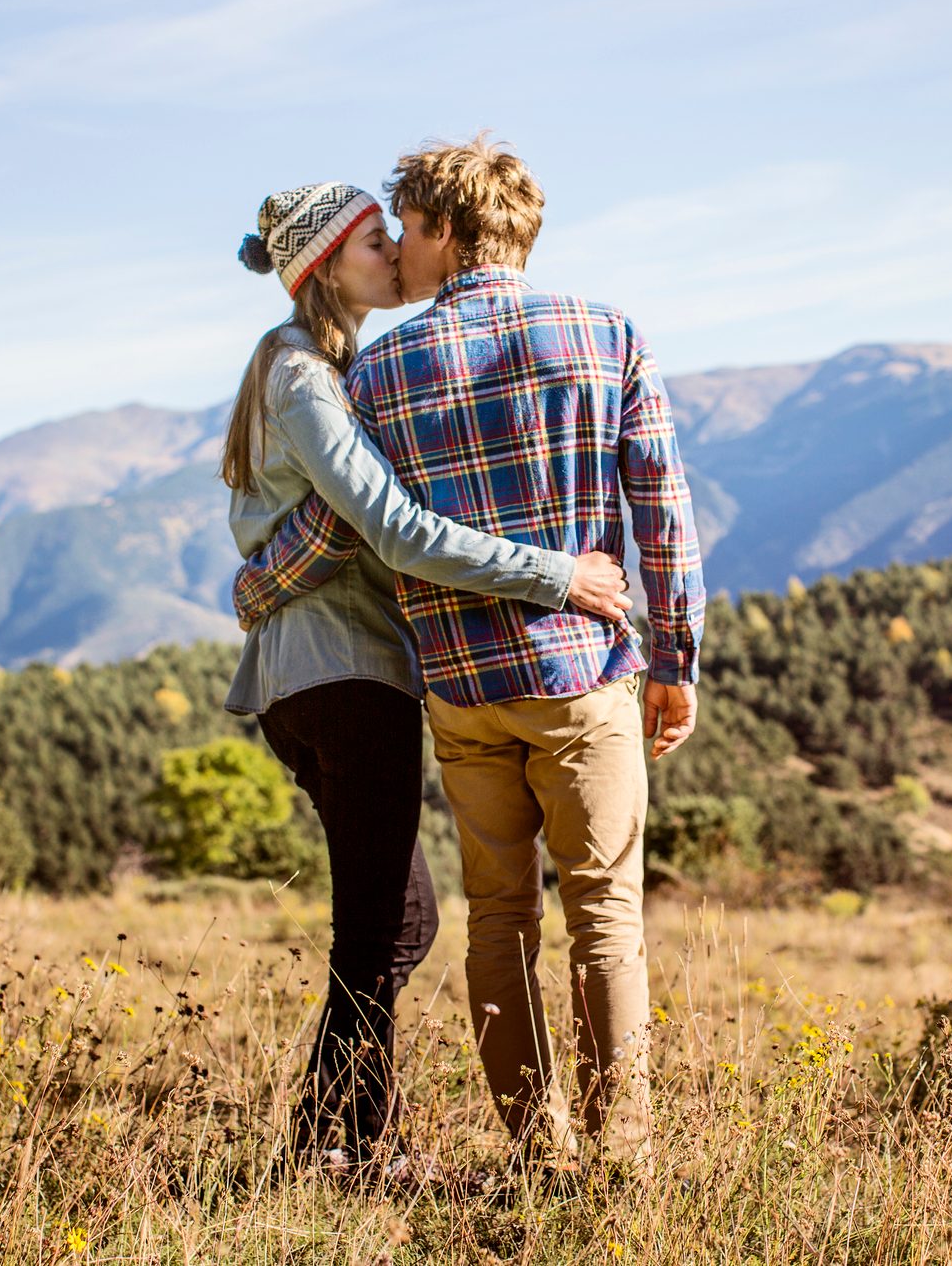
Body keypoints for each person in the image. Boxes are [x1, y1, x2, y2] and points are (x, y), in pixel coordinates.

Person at [233, 138, 705, 1174]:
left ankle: (537, 1153)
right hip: (581, 675)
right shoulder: (607, 332)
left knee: (499, 919)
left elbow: (347, 521)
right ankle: (620, 1158)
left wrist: (257, 582)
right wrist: (675, 655)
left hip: (458, 693)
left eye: (402, 228)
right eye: (381, 236)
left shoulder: (382, 370)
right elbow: (661, 511)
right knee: (604, 917)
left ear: (445, 229)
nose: (399, 250)